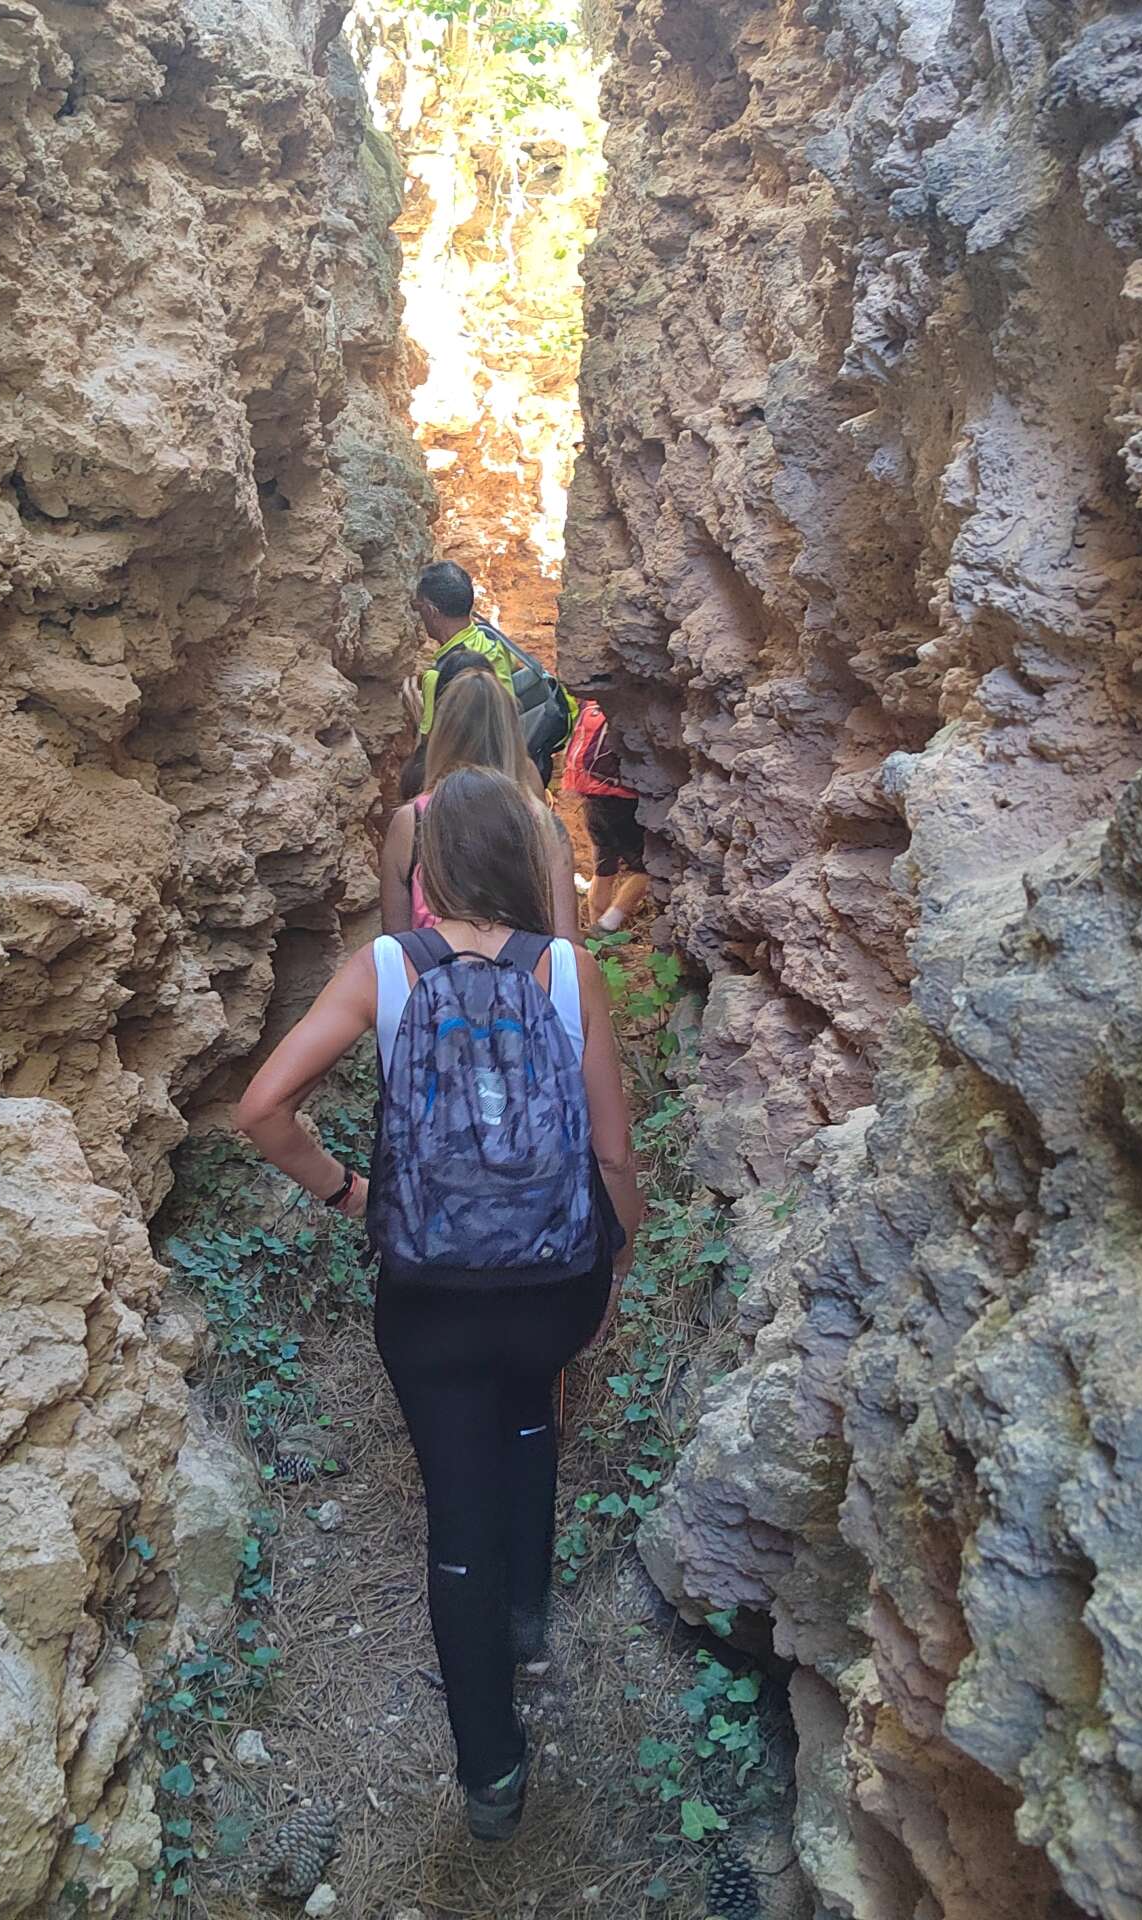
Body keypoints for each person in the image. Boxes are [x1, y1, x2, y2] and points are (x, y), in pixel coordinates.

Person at [236, 768, 644, 1844]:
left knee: (455, 1511)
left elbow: (263, 1109)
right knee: (530, 1417)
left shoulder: (385, 970)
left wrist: (352, 1195)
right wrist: (610, 1267)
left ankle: (490, 1773)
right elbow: (610, 1150)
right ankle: (526, 1619)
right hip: (552, 1277)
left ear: (425, 869)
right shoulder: (567, 968)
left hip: (427, 1295)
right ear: (524, 860)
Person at [383, 669, 579, 939]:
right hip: (524, 976)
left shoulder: (412, 821)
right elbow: (566, 943)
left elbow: (394, 942)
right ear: (511, 731)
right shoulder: (543, 823)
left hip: (431, 976)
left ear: (444, 732)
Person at [400, 561, 576, 797]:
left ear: (431, 611)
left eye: (417, 606)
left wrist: (419, 718)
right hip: (510, 759)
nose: (417, 613)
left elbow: (432, 764)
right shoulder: (492, 640)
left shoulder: (438, 677)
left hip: (470, 786)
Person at [563, 700, 649, 930]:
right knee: (651, 866)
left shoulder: (592, 702)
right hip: (620, 799)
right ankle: (608, 924)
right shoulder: (635, 703)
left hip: (591, 797)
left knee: (604, 864)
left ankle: (596, 932)